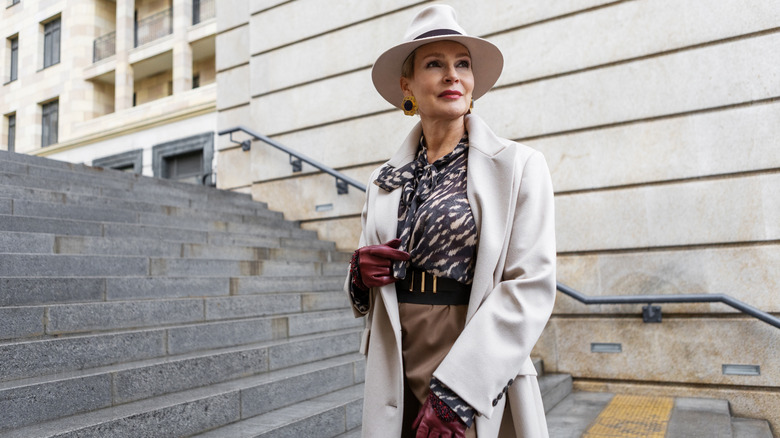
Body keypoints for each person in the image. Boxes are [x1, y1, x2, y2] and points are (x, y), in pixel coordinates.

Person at [345, 5, 556, 437]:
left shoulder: (518, 166)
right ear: (407, 85)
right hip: (397, 356)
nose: (452, 75)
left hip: (474, 355)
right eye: (434, 64)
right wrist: (358, 277)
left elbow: (530, 284)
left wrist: (455, 396)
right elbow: (367, 294)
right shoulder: (382, 180)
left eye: (462, 64)